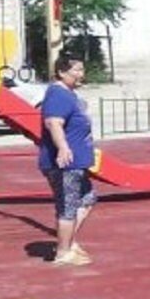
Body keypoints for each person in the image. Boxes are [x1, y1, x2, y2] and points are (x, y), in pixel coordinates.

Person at [38, 58, 97, 266]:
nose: (81, 74)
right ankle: (63, 252)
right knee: (68, 207)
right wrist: (63, 147)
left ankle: (67, 242)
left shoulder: (69, 94)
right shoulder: (58, 94)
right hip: (65, 164)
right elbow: (53, 123)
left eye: (82, 70)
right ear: (62, 72)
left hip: (77, 162)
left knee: (88, 198)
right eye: (76, 70)